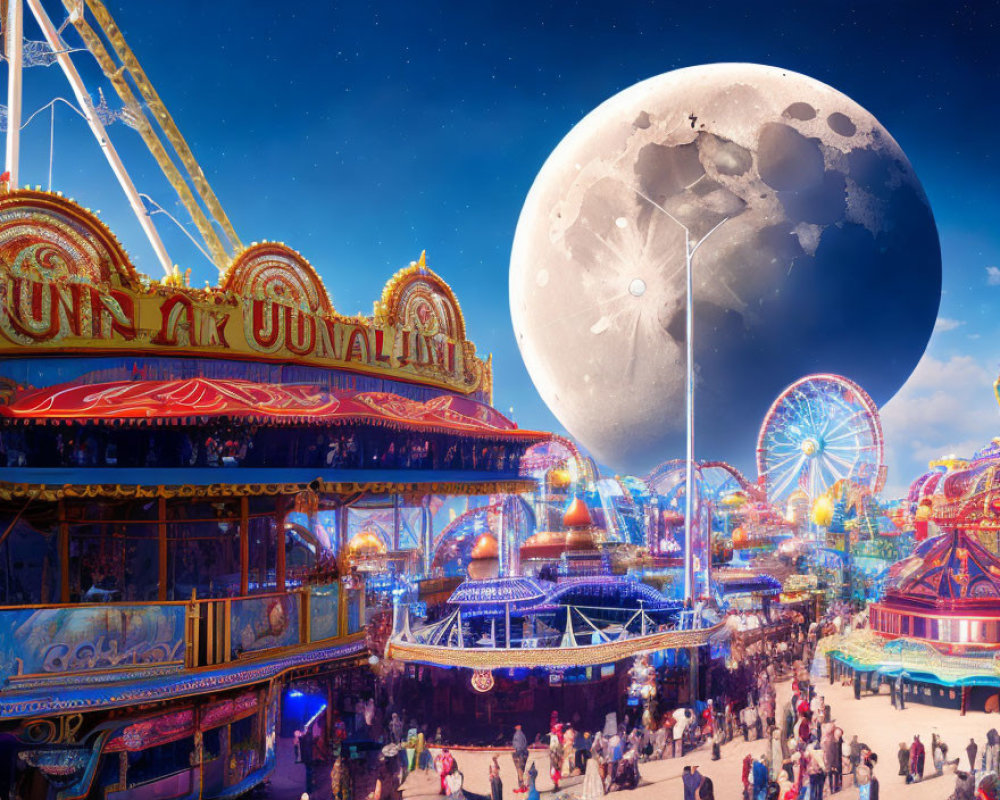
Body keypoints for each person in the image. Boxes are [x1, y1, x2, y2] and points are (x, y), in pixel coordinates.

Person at [512, 725, 529, 793]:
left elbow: (518, 745)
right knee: (521, 770)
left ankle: (522, 787)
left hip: (520, 753)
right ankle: (522, 786)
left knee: (520, 770)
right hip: (522, 753)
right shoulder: (522, 734)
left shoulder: (518, 735)